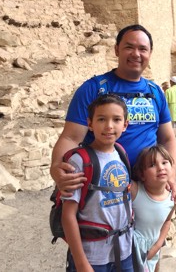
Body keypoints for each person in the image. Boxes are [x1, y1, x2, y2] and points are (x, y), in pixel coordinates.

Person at [51, 24, 176, 202]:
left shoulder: (155, 92)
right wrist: (57, 167)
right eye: (129, 47)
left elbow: (167, 138)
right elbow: (71, 138)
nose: (136, 54)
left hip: (146, 187)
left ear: (150, 54)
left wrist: (171, 174)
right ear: (116, 50)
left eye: (143, 49)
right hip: (104, 186)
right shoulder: (94, 89)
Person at [62, 94, 133, 272]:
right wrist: (81, 263)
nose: (109, 126)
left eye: (116, 119)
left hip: (124, 252)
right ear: (90, 123)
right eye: (101, 119)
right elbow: (68, 215)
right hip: (92, 256)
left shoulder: (121, 153)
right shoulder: (80, 161)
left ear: (125, 124)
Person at [131, 145, 176, 272]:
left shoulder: (172, 198)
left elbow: (167, 221)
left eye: (164, 162)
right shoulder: (136, 191)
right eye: (152, 165)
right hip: (132, 249)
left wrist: (157, 246)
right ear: (142, 175)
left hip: (153, 249)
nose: (160, 168)